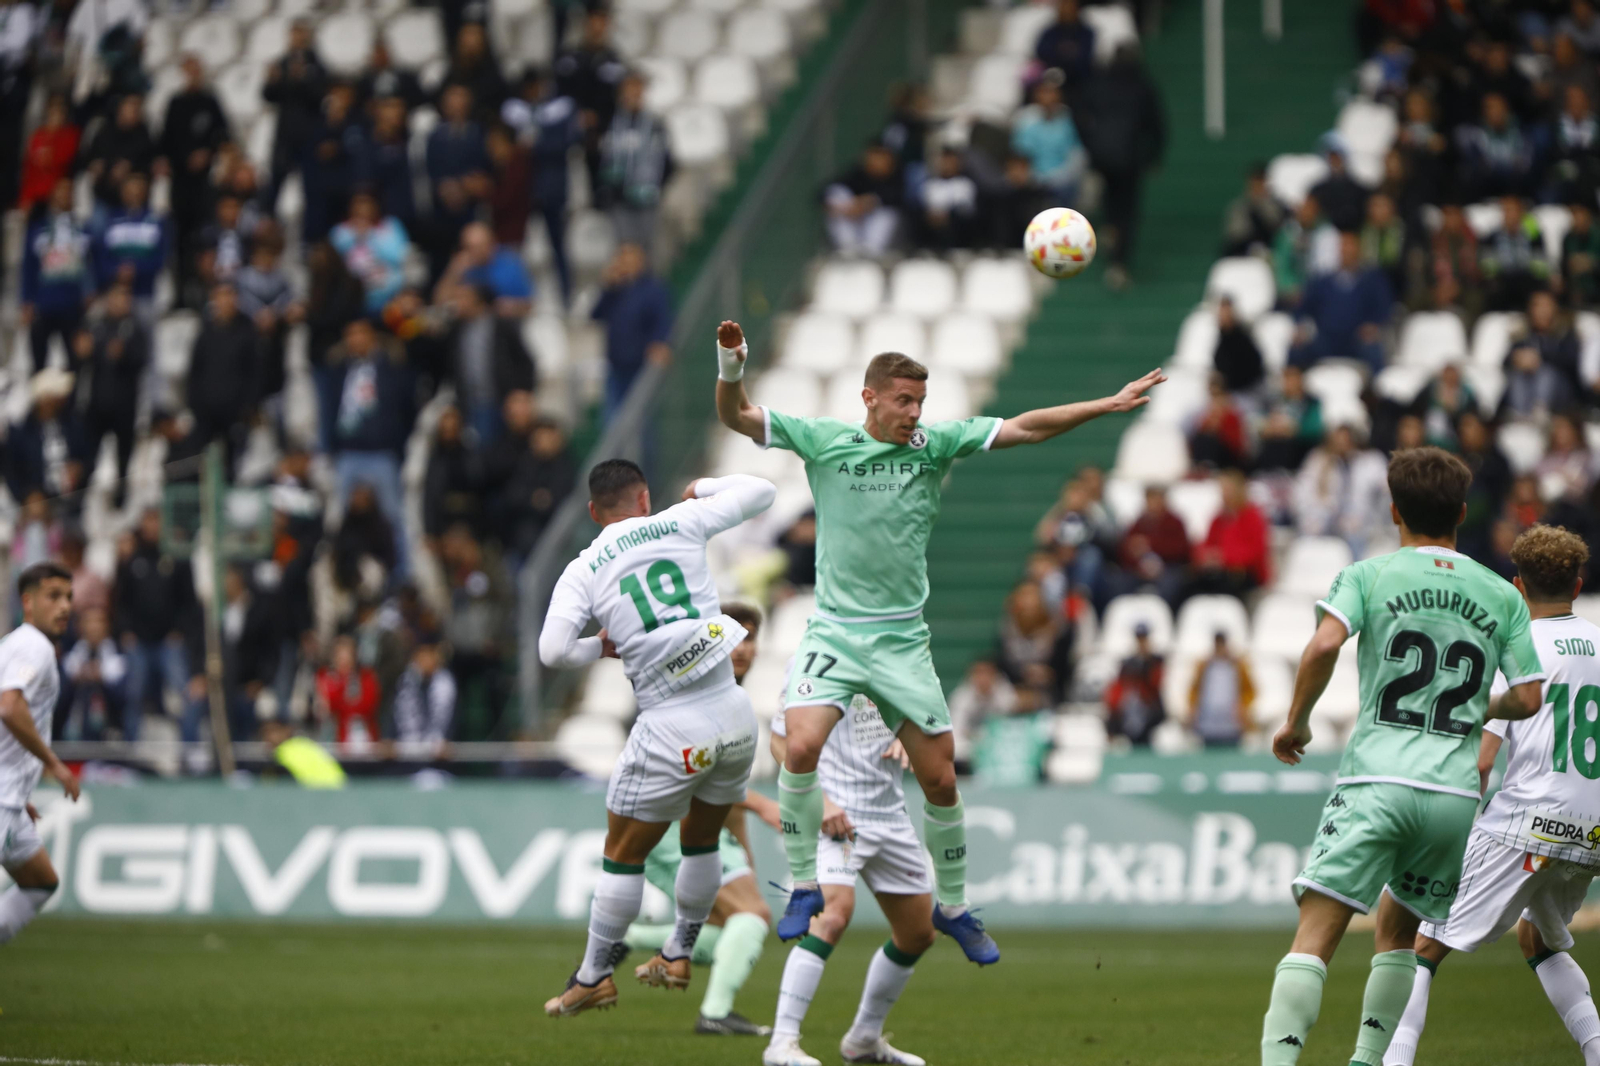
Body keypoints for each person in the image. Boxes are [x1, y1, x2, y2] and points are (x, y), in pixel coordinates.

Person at [713, 318, 1164, 961]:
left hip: (901, 642)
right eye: (903, 401)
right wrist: (733, 362)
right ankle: (804, 885)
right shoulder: (824, 441)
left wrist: (1107, 404)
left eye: (921, 402)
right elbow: (736, 415)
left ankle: (952, 905)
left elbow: (1027, 427)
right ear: (869, 397)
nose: (914, 413)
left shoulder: (933, 444)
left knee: (943, 780)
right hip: (837, 633)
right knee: (803, 746)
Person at [1257, 447, 1546, 1066]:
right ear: (1463, 513)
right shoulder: (1502, 594)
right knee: (1398, 935)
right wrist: (1475, 709)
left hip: (1376, 781)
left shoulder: (1368, 575)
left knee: (1316, 936)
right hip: (1453, 796)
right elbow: (1528, 698)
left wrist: (1296, 723)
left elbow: (1322, 647)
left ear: (1393, 511)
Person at [539, 461, 775, 1016]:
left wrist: (600, 647)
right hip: (735, 715)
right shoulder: (679, 520)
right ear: (645, 498)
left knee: (623, 856)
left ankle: (594, 975)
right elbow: (763, 491)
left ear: (595, 512)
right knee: (703, 840)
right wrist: (704, 488)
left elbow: (552, 651)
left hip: (672, 722)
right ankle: (678, 951)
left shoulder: (583, 569)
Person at [1383, 525, 1600, 1066]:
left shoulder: (1514, 649)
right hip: (1593, 829)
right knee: (1539, 941)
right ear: (1578, 585)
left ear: (1516, 586)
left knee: (1419, 944)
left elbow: (1481, 759)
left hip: (1528, 819)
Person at [623, 603, 777, 1036]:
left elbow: (724, 790)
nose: (744, 648)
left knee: (731, 924)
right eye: (735, 637)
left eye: (751, 638)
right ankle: (714, 1014)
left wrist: (743, 855)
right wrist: (764, 804)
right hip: (668, 825)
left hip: (696, 829)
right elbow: (693, 771)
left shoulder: (734, 701)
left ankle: (632, 939)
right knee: (752, 916)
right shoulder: (693, 692)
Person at [764, 687, 934, 1066]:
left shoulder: (900, 656)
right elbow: (780, 740)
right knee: (833, 914)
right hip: (835, 813)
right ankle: (781, 1043)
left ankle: (864, 1039)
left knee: (918, 933)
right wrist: (815, 798)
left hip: (890, 814)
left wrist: (910, 739)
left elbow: (925, 722)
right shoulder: (815, 656)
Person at [0, 562, 81, 948]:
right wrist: (53, 765)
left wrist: (22, 785)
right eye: (54, 596)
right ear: (28, 602)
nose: (64, 606)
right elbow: (9, 708)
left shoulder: (15, 645)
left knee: (40, 882)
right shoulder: (34, 646)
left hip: (10, 800)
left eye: (68, 597)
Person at [1073, 42, 1166, 289]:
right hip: (1128, 159)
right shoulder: (1142, 87)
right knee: (1127, 210)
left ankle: (1110, 230)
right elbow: (1157, 126)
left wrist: (1090, 146)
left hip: (1103, 157)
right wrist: (1154, 156)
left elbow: (1079, 116)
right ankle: (1118, 262)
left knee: (1111, 199)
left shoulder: (1098, 83)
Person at [1288, 229, 1392, 374]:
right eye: (1343, 247)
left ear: (1359, 250)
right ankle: (1293, 393)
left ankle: (1377, 393)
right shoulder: (1322, 282)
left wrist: (1373, 325)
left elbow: (1384, 309)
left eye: (1351, 246)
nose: (1347, 251)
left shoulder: (1372, 281)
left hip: (1357, 341)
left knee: (1374, 351)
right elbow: (1303, 308)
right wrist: (1301, 326)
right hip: (1326, 340)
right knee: (1296, 349)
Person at [591, 242, 672, 422]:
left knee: (643, 417)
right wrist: (607, 288)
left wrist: (660, 343)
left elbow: (662, 319)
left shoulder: (653, 289)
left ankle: (646, 451)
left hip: (641, 363)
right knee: (612, 417)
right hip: (616, 363)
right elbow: (595, 314)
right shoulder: (615, 289)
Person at [22, 177, 93, 371]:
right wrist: (26, 300)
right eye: (60, 191)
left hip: (73, 304)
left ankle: (71, 401)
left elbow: (91, 264)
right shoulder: (37, 229)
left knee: (75, 361)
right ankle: (40, 399)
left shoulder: (83, 229)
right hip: (43, 304)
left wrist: (89, 291)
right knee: (38, 361)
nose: (64, 195)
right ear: (52, 195)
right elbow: (28, 266)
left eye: (68, 191)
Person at [597, 72, 672, 254]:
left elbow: (668, 161)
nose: (632, 95)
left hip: (646, 198)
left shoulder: (655, 124)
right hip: (619, 200)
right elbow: (602, 158)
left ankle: (646, 281)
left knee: (645, 250)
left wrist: (655, 186)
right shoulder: (611, 123)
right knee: (625, 250)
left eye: (636, 90)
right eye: (628, 90)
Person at [1010, 73, 1087, 208]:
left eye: (1052, 92)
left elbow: (1076, 153)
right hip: (1033, 184)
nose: (1048, 97)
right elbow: (1019, 155)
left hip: (1062, 184)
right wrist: (1033, 178)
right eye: (1044, 92)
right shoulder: (1025, 119)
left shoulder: (1067, 119)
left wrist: (1060, 178)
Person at [824, 143, 903, 258]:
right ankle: (847, 248)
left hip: (886, 234)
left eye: (881, 157)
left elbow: (897, 198)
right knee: (836, 193)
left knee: (887, 213)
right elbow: (823, 191)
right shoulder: (858, 174)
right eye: (874, 156)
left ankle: (872, 252)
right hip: (857, 223)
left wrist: (869, 202)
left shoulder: (898, 174)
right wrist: (848, 207)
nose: (876, 161)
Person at [1187, 631, 1254, 748]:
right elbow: (1194, 691)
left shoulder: (1238, 666)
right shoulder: (1204, 666)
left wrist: (1243, 708)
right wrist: (1193, 710)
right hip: (1207, 725)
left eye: (1222, 644)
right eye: (1218, 644)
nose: (1220, 648)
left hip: (1233, 725)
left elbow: (1250, 691)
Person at [1105, 622, 1164, 745]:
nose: (1141, 642)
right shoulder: (1128, 664)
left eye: (1144, 638)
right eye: (1139, 638)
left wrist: (1147, 664)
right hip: (1130, 712)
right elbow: (1119, 690)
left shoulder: (1156, 662)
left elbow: (1155, 686)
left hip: (1150, 713)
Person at [317, 634, 379, 746]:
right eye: (339, 655)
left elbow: (368, 705)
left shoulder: (365, 677)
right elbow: (327, 707)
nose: (343, 659)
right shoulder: (325, 676)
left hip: (361, 738)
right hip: (333, 737)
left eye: (347, 654)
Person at [1222, 163, 1286, 258]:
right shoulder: (1238, 207)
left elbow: (1277, 230)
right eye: (1255, 181)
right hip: (1243, 254)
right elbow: (1235, 236)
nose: (1258, 185)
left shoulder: (1276, 206)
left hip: (1271, 253)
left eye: (1261, 181)